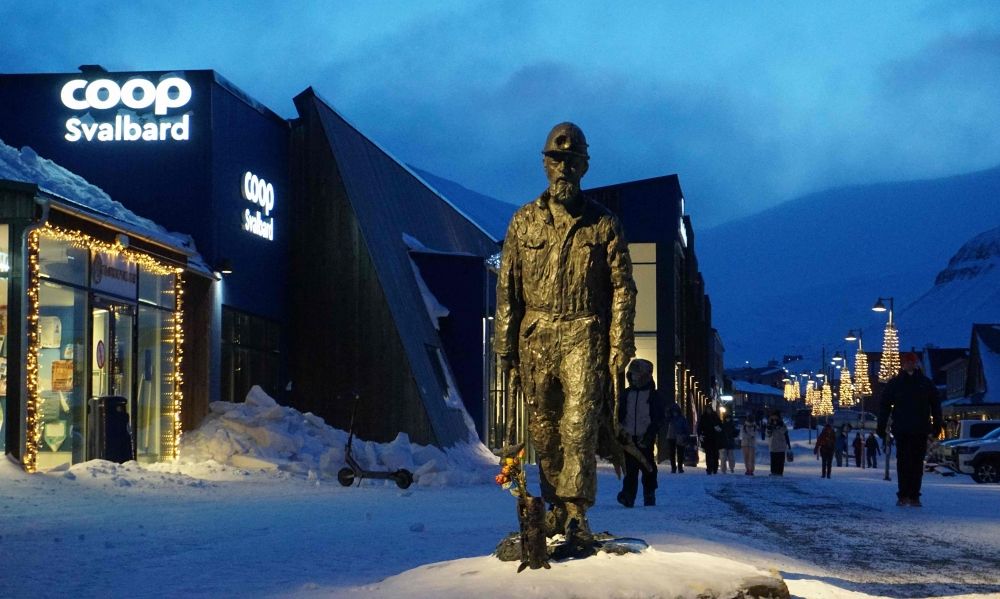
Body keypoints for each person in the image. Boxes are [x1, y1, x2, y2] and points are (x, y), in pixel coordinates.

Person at [495, 122, 637, 540]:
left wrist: (619, 345)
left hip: (583, 333)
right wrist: (504, 347)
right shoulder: (522, 222)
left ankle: (576, 512)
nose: (563, 170)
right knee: (546, 428)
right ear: (544, 164)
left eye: (572, 162)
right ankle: (555, 506)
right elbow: (508, 288)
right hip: (535, 334)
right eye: (556, 160)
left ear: (585, 167)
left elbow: (623, 289)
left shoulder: (604, 224)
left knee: (579, 426)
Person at [878, 352, 943, 507]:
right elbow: (884, 406)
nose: (909, 364)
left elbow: (936, 405)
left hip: (919, 429)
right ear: (903, 364)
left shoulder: (925, 383)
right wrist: (881, 426)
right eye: (907, 362)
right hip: (902, 429)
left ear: (916, 364)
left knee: (916, 464)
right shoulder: (896, 383)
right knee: (903, 463)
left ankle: (914, 495)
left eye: (911, 362)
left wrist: (937, 426)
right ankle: (903, 495)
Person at [616, 359, 666, 508]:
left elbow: (658, 417)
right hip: (628, 436)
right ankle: (628, 495)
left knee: (648, 467)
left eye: (637, 375)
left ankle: (649, 494)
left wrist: (651, 433)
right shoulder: (626, 394)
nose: (634, 378)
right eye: (632, 375)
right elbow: (619, 414)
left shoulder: (653, 395)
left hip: (645, 436)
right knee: (630, 469)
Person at [697, 405, 723, 475]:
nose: (708, 411)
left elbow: (720, 426)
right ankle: (709, 468)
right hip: (707, 438)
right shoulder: (703, 417)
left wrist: (718, 429)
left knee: (715, 454)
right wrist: (700, 434)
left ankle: (715, 468)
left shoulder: (715, 417)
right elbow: (700, 426)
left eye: (709, 409)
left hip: (715, 438)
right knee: (708, 454)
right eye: (707, 409)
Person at [664, 404, 689, 473]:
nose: (675, 412)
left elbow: (686, 428)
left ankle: (679, 467)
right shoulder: (671, 418)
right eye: (673, 411)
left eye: (676, 411)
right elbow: (666, 418)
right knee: (672, 453)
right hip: (671, 437)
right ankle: (674, 467)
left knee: (680, 453)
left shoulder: (681, 418)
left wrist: (685, 435)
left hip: (679, 436)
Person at [766, 411, 790, 476]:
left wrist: (778, 426)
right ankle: (773, 472)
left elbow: (785, 432)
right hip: (773, 445)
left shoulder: (782, 424)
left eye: (775, 416)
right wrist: (769, 429)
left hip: (781, 446)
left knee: (780, 461)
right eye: (772, 416)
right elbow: (768, 434)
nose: (774, 418)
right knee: (773, 460)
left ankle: (779, 473)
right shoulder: (769, 423)